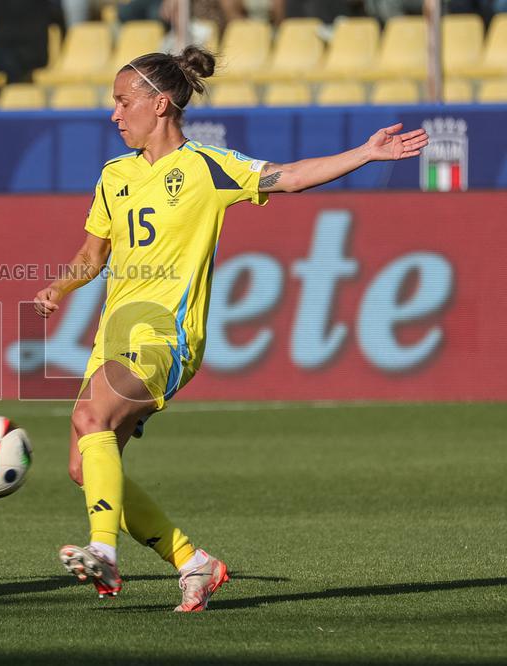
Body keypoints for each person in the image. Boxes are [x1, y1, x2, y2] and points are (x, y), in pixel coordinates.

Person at [33, 47, 428, 612]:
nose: (114, 115)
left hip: (165, 336)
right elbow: (94, 253)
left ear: (160, 103)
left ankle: (105, 553)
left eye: (123, 102)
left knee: (89, 416)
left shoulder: (204, 168)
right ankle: (194, 562)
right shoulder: (113, 175)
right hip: (112, 337)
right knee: (83, 467)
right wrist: (63, 286)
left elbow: (286, 177)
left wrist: (364, 153)